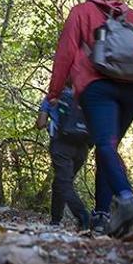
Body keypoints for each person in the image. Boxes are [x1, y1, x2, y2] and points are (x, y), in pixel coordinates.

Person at [45, 0, 133, 237]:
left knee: (105, 145)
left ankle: (126, 198)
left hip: (98, 86)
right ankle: (102, 214)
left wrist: (54, 92)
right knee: (110, 149)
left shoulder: (81, 12)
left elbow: (66, 52)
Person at [37, 87, 91, 230]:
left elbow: (40, 124)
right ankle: (55, 219)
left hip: (61, 144)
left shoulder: (52, 96)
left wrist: (49, 123)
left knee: (64, 182)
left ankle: (82, 215)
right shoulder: (85, 94)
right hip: (82, 147)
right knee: (61, 181)